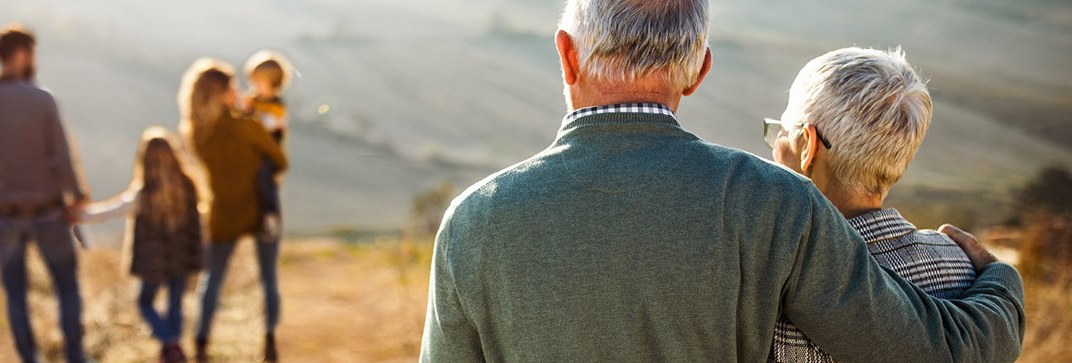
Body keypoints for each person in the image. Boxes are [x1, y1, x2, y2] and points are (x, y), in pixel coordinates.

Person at [418, 1, 1024, 362]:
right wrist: (999, 281)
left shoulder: (475, 219)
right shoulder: (774, 201)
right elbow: (926, 352)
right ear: (699, 70)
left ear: (566, 56)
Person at [765, 47, 980, 362]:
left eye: (781, 133)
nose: (774, 148)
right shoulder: (964, 267)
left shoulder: (780, 285)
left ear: (808, 146)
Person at [0, 24, 90, 363]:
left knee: (16, 294)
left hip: (2, 213)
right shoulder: (42, 99)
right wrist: (78, 196)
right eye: (33, 54)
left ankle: (29, 359)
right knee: (66, 287)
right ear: (21, 53)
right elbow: (61, 156)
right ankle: (75, 356)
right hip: (48, 210)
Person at [178, 58, 289, 362]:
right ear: (223, 93)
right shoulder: (247, 126)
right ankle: (269, 343)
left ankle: (200, 343)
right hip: (261, 208)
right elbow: (280, 160)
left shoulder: (196, 133)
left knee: (212, 279)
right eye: (233, 87)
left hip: (222, 212)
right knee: (268, 278)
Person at [80, 127, 206, 363]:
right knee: (175, 304)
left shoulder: (143, 193)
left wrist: (80, 214)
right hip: (181, 257)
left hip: (153, 261)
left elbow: (110, 210)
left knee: (145, 302)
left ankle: (170, 343)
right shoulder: (188, 186)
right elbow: (198, 223)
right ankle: (173, 347)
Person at [241, 50, 295, 241]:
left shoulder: (277, 106)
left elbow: (272, 128)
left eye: (259, 82)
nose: (255, 86)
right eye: (253, 81)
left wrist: (251, 114)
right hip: (251, 153)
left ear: (274, 83)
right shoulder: (252, 100)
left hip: (269, 154)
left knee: (265, 180)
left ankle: (270, 216)